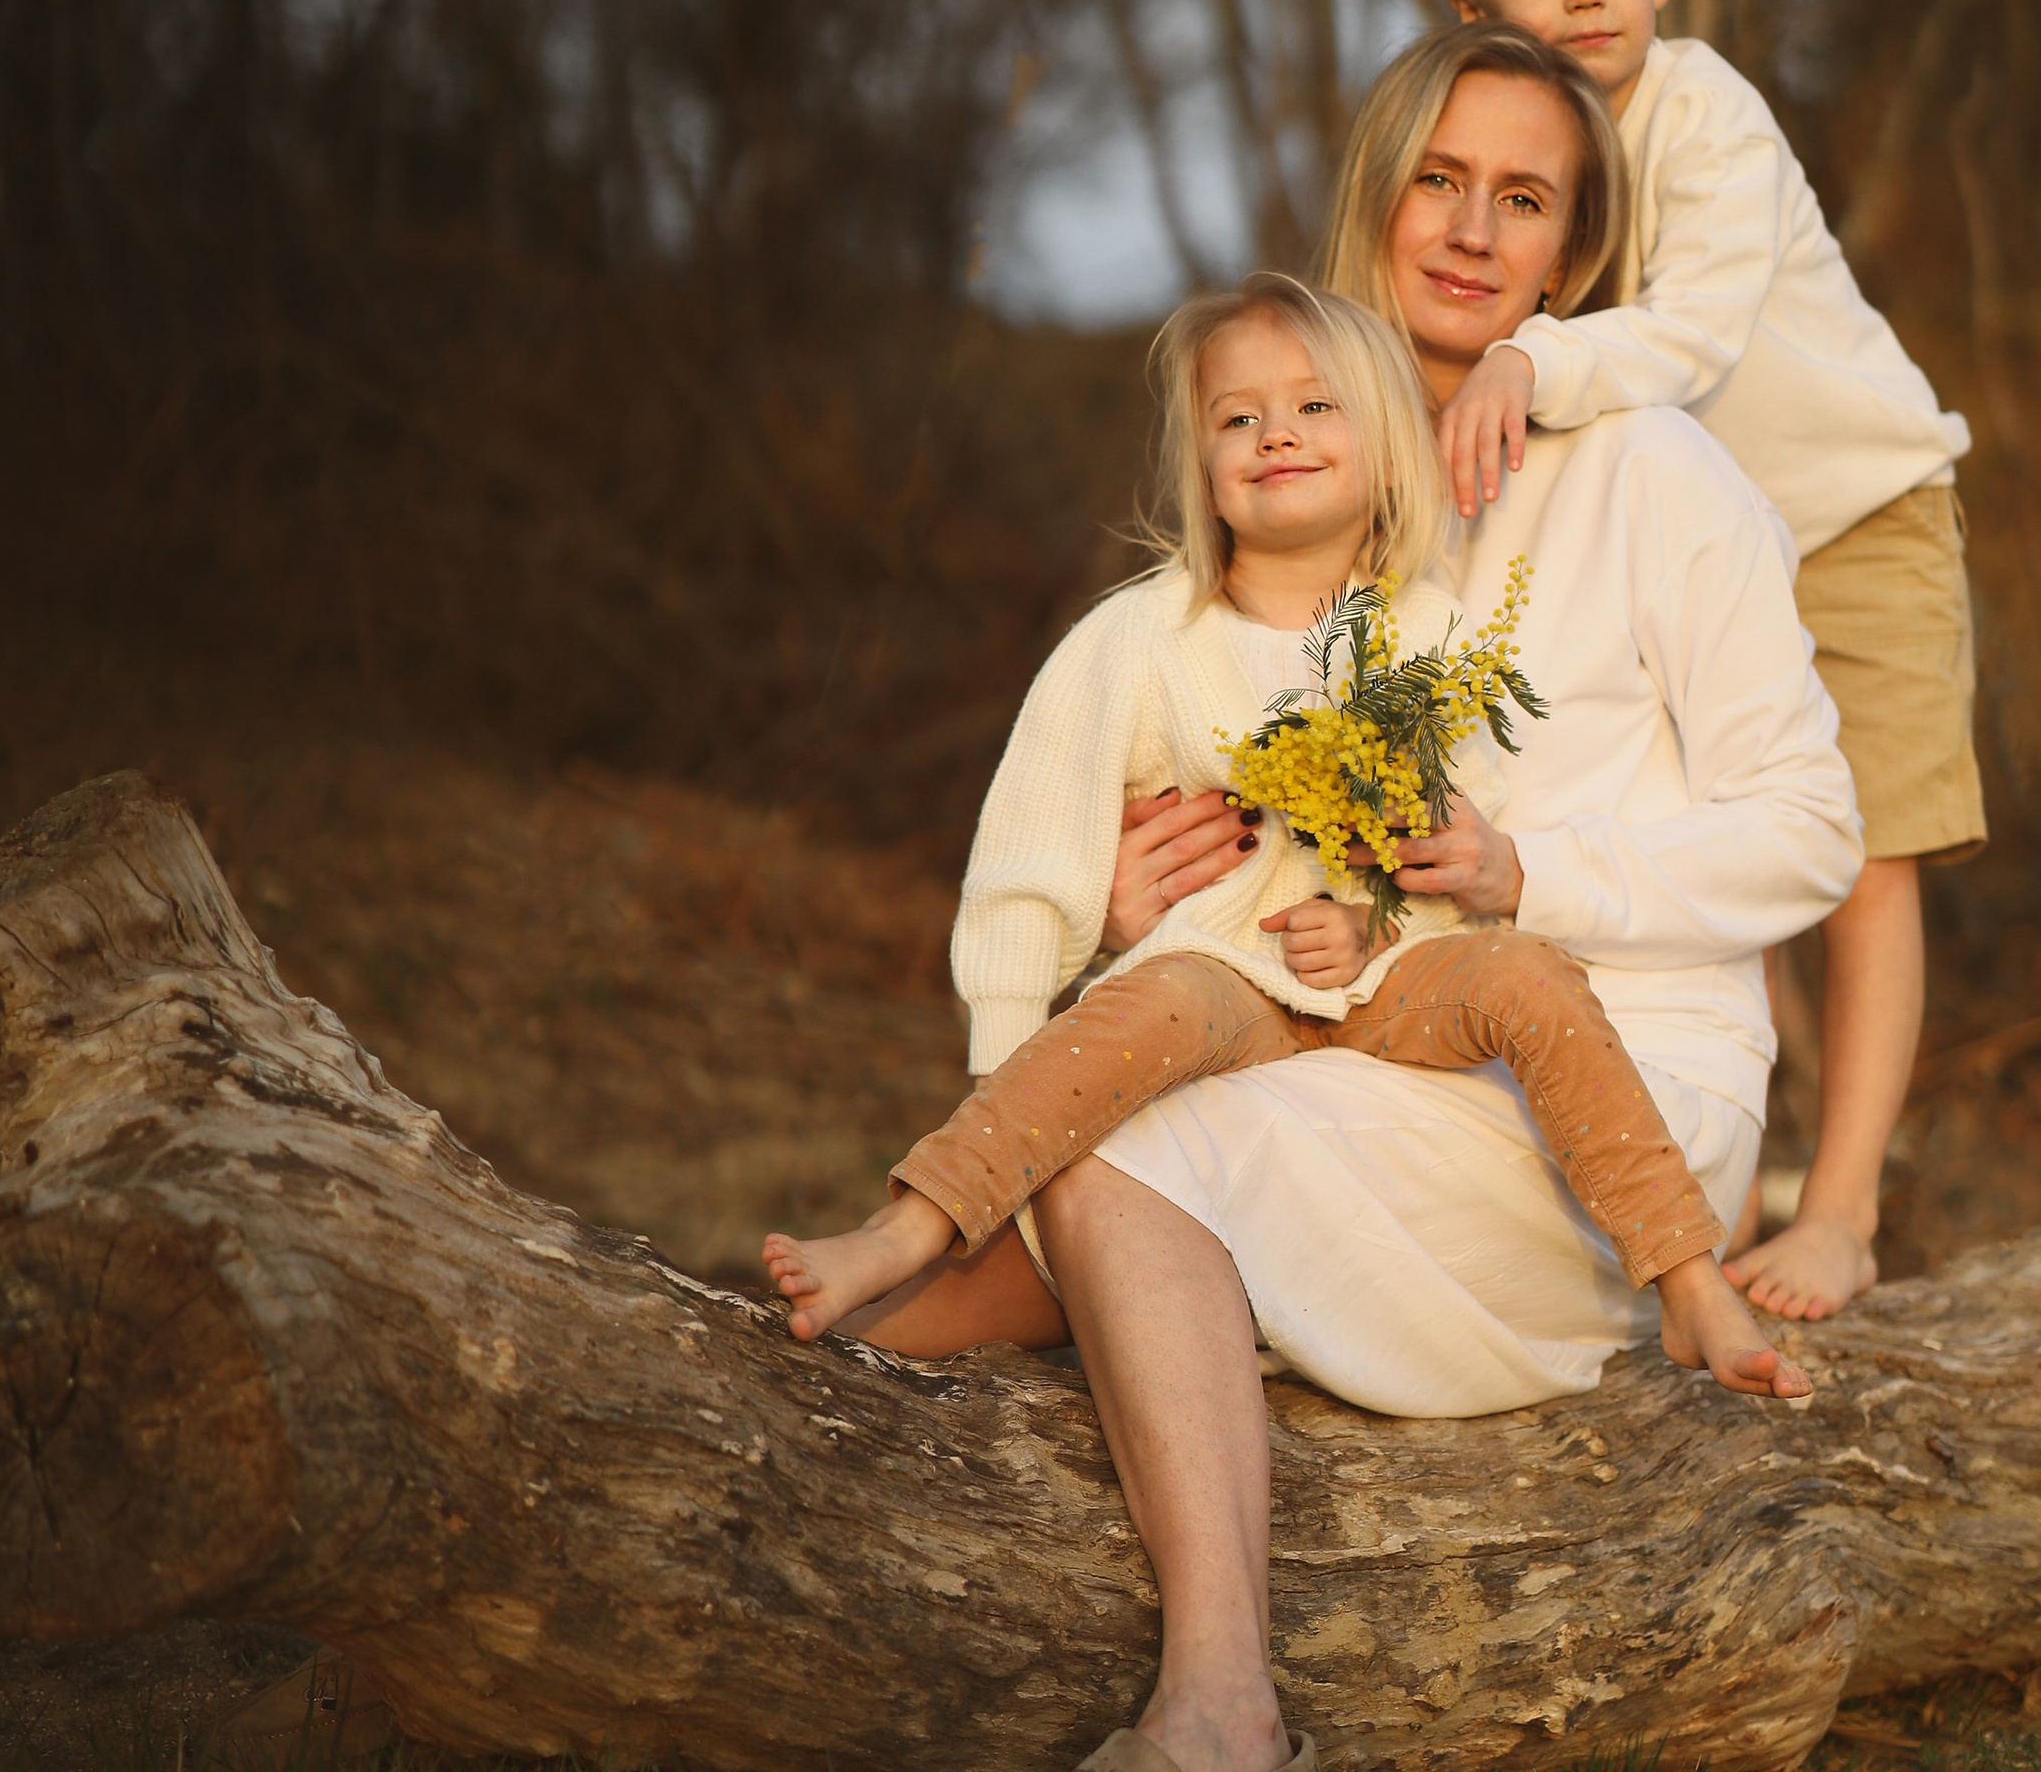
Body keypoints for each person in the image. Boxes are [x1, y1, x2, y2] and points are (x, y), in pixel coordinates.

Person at [898, 25, 1861, 1772]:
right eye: (1441, 180)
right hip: (1343, 1031)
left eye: (1527, 201)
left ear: (1574, 259)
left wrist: (1536, 869)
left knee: (1103, 1163)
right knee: (1056, 1180)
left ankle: (1219, 1741)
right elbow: (1218, 770)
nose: (1473, 232)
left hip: (1603, 1087)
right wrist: (1125, 897)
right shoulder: (1309, 444)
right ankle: (799, 1370)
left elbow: (1814, 826)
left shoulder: (1655, 475)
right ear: (1378, 196)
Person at [762, 270, 1799, 1401]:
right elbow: (1028, 867)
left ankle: (1688, 1276)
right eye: (1237, 418)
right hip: (1223, 985)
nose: (1275, 436)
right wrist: (1000, 1068)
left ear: (1386, 447)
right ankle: (908, 1229)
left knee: (1528, 974)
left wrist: (1368, 926)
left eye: (1314, 408)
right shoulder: (1137, 640)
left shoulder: (1430, 632)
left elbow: (1456, 840)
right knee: (1146, 1006)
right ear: (1202, 470)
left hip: (1386, 988)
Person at [1423, 0, 1985, 1321]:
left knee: (1861, 856)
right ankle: (1722, 1180)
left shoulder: (1705, 111)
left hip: (1852, 512)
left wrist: (1529, 361)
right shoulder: (1518, 143)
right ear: (1473, 3)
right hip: (1703, 545)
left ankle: (1850, 1209)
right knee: (1711, 858)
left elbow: (1692, 335)